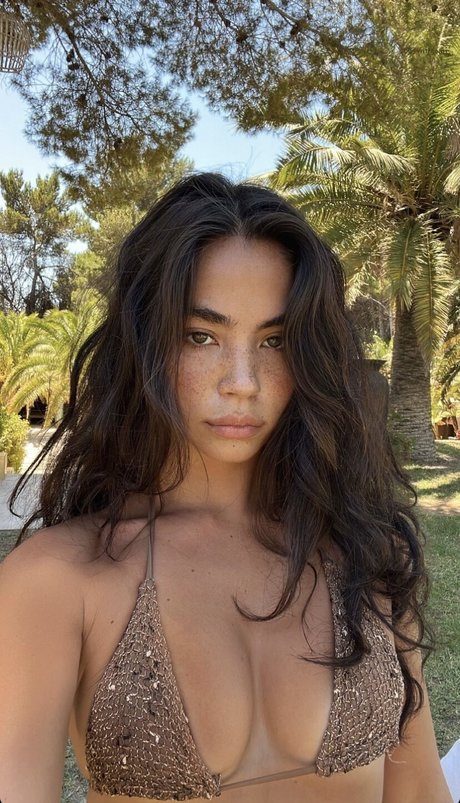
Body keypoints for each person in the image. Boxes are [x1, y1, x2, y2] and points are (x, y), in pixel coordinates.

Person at [0, 172, 453, 803]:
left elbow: (421, 791)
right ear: (144, 345)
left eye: (275, 340)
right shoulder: (56, 582)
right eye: (201, 336)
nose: (243, 381)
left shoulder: (368, 553)